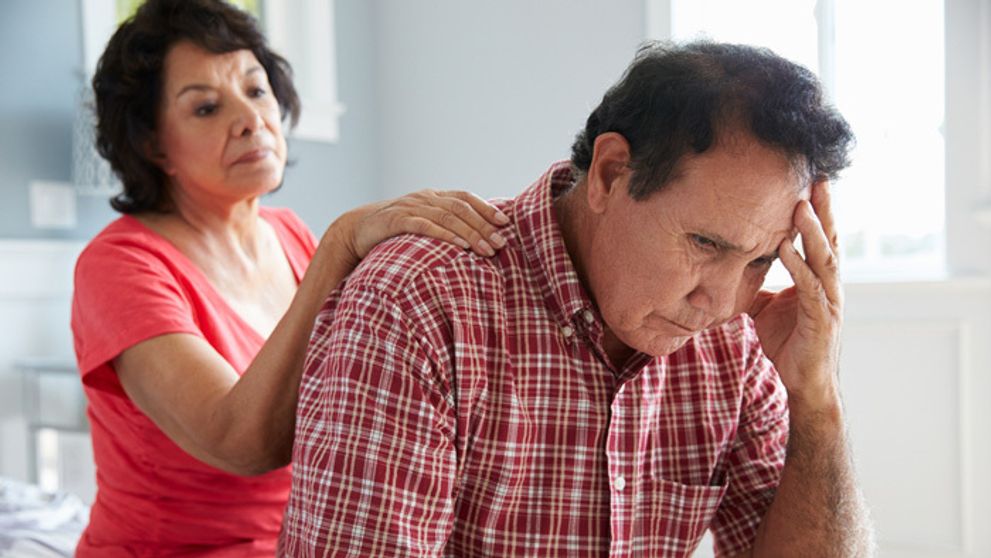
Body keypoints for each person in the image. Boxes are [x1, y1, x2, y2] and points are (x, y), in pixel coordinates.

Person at [281, 41, 875, 557]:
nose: (720, 303)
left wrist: (816, 397)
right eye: (704, 243)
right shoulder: (417, 301)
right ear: (611, 174)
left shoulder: (739, 338)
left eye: (761, 259)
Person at [69, 0, 509, 555]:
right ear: (154, 144)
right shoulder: (120, 266)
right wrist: (341, 245)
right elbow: (239, 442)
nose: (251, 119)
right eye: (206, 107)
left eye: (256, 91)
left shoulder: (290, 235)